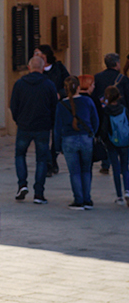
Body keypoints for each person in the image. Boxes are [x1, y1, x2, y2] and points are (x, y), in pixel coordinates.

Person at [9, 53, 58, 203]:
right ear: (43, 68)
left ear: (29, 67)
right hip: (42, 127)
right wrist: (50, 123)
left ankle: (22, 184)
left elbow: (13, 105)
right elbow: (54, 107)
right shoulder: (49, 85)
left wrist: (19, 120)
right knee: (41, 160)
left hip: (24, 126)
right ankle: (39, 193)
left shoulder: (19, 84)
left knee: (20, 155)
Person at [55, 74, 99, 209]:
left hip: (69, 139)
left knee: (74, 171)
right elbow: (95, 120)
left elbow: (57, 127)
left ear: (65, 89)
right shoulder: (87, 101)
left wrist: (57, 146)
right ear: (79, 88)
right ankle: (87, 199)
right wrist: (92, 134)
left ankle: (78, 199)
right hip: (86, 138)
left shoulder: (61, 105)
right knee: (86, 170)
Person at [102, 85, 129, 204]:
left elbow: (103, 129)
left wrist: (104, 140)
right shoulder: (124, 109)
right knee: (125, 167)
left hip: (112, 143)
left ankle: (119, 196)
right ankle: (127, 190)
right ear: (118, 96)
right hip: (125, 142)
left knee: (116, 169)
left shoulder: (106, 111)